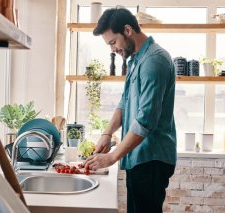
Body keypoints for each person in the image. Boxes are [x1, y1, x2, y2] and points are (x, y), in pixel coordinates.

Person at [83, 7, 177, 213]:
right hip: (138, 156)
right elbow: (124, 103)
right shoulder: (136, 60)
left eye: (113, 42)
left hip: (151, 159)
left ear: (127, 30)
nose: (112, 49)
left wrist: (112, 156)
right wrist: (107, 134)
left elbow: (146, 120)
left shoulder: (155, 60)